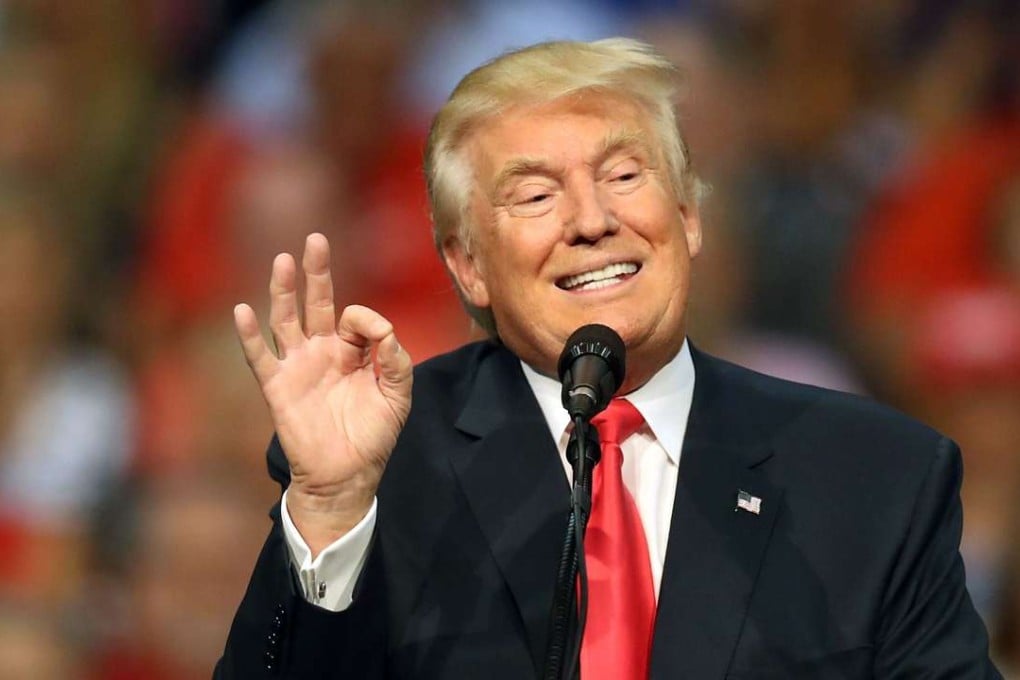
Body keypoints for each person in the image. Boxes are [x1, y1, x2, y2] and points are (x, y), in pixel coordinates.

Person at [216, 39, 999, 678]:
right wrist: (332, 509)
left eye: (624, 176)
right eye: (535, 195)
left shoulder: (873, 477)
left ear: (687, 217)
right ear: (468, 266)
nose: (591, 220)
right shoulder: (384, 465)